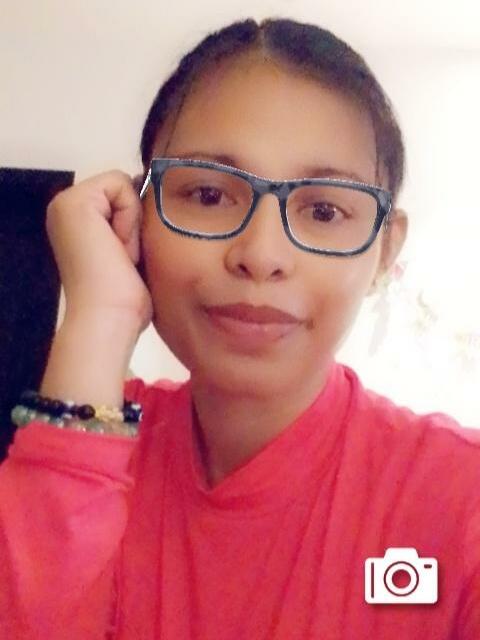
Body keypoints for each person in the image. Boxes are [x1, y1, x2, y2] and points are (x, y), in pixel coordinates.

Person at [0, 17, 478, 640]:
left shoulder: (459, 498)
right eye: (207, 195)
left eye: (324, 209)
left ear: (385, 250)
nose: (261, 254)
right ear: (138, 219)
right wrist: (100, 318)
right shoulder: (83, 448)